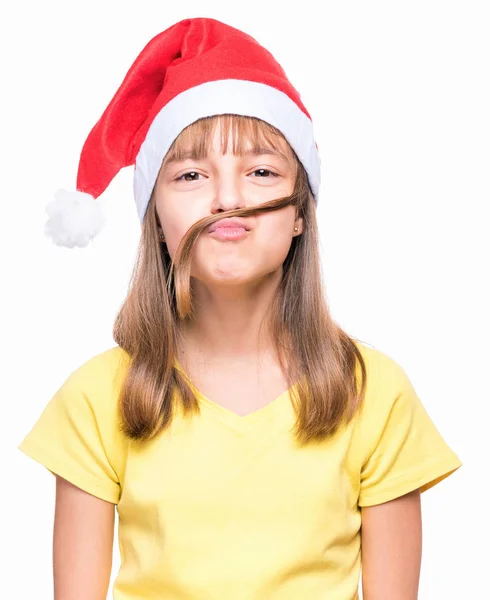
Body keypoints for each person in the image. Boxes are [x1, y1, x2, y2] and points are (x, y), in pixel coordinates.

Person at [18, 16, 462, 600]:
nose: (227, 200)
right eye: (192, 174)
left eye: (260, 172)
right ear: (155, 216)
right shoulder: (96, 397)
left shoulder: (374, 393)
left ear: (300, 212)